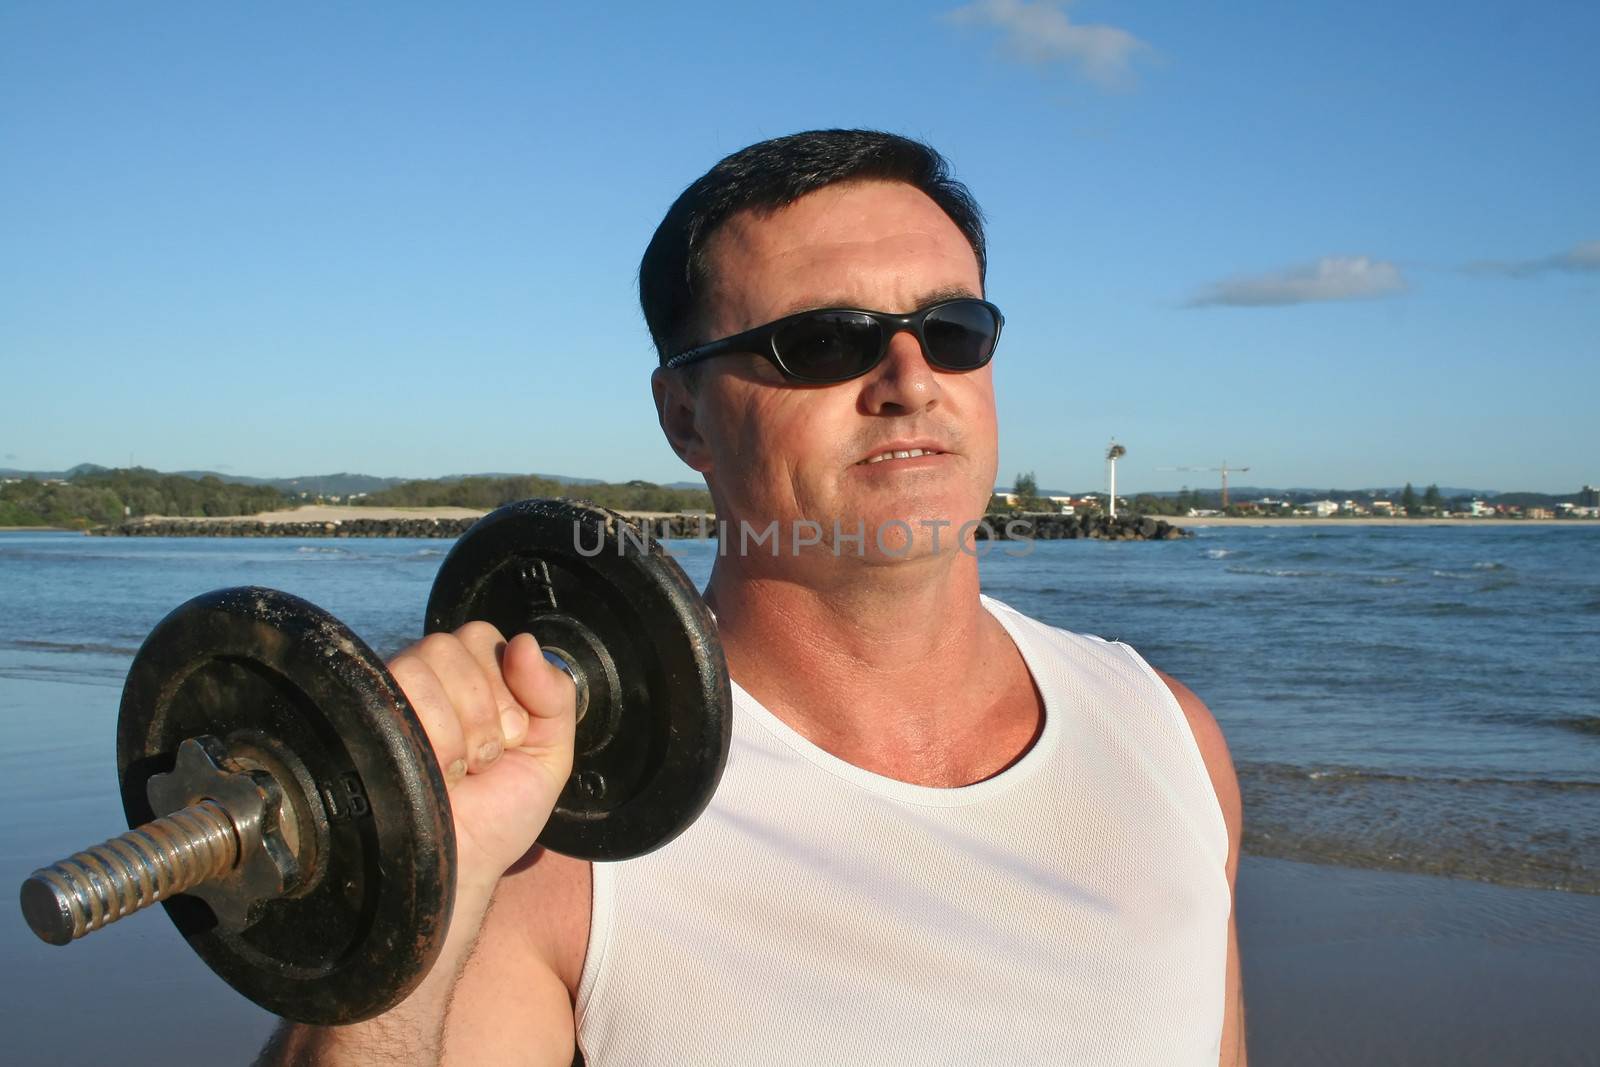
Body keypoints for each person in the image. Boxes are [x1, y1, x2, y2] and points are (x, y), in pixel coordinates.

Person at [261, 129, 1245, 1066]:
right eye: (822, 341)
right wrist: (425, 868)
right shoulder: (562, 842)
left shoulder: (1167, 738)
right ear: (684, 416)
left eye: (953, 331)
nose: (910, 378)